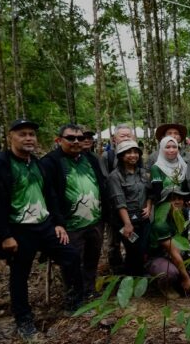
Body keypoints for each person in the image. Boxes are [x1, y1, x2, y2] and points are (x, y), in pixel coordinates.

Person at [0, 119, 83, 338]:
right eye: (22, 134)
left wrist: (58, 223)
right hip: (19, 229)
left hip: (44, 225)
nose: (28, 138)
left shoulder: (37, 163)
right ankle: (23, 319)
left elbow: (50, 195)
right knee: (20, 274)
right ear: (10, 137)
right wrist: (4, 235)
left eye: (31, 134)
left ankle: (74, 302)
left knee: (70, 256)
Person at [40, 124, 108, 298]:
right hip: (69, 224)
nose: (77, 141)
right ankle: (74, 297)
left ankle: (89, 290)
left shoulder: (90, 158)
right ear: (59, 140)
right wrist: (56, 222)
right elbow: (49, 195)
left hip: (94, 220)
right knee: (71, 261)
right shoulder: (50, 162)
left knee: (92, 258)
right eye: (71, 138)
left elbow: (101, 184)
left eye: (80, 138)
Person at [108, 140, 152, 276]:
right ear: (121, 156)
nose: (133, 155)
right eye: (128, 152)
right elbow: (119, 201)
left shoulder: (143, 173)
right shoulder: (115, 176)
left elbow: (150, 192)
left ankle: (141, 277)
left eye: (135, 152)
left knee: (142, 249)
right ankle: (131, 278)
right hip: (124, 222)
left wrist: (149, 207)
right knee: (133, 249)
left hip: (143, 219)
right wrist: (127, 224)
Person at [100, 123, 137, 271]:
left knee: (132, 239)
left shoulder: (135, 155)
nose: (126, 138)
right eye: (122, 136)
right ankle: (116, 269)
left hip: (133, 208)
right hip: (114, 211)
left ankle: (132, 267)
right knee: (114, 240)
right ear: (114, 139)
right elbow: (104, 182)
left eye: (129, 135)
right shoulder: (107, 156)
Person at [146, 186, 190, 295]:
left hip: (179, 255)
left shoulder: (184, 214)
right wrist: (186, 279)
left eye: (180, 198)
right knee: (170, 273)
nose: (177, 202)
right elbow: (174, 253)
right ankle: (164, 286)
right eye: (172, 199)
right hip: (159, 257)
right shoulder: (160, 223)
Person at [150, 136, 190, 207]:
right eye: (167, 147)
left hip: (182, 206)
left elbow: (186, 189)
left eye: (174, 147)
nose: (172, 150)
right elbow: (158, 194)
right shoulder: (156, 168)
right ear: (162, 149)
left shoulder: (183, 166)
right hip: (164, 208)